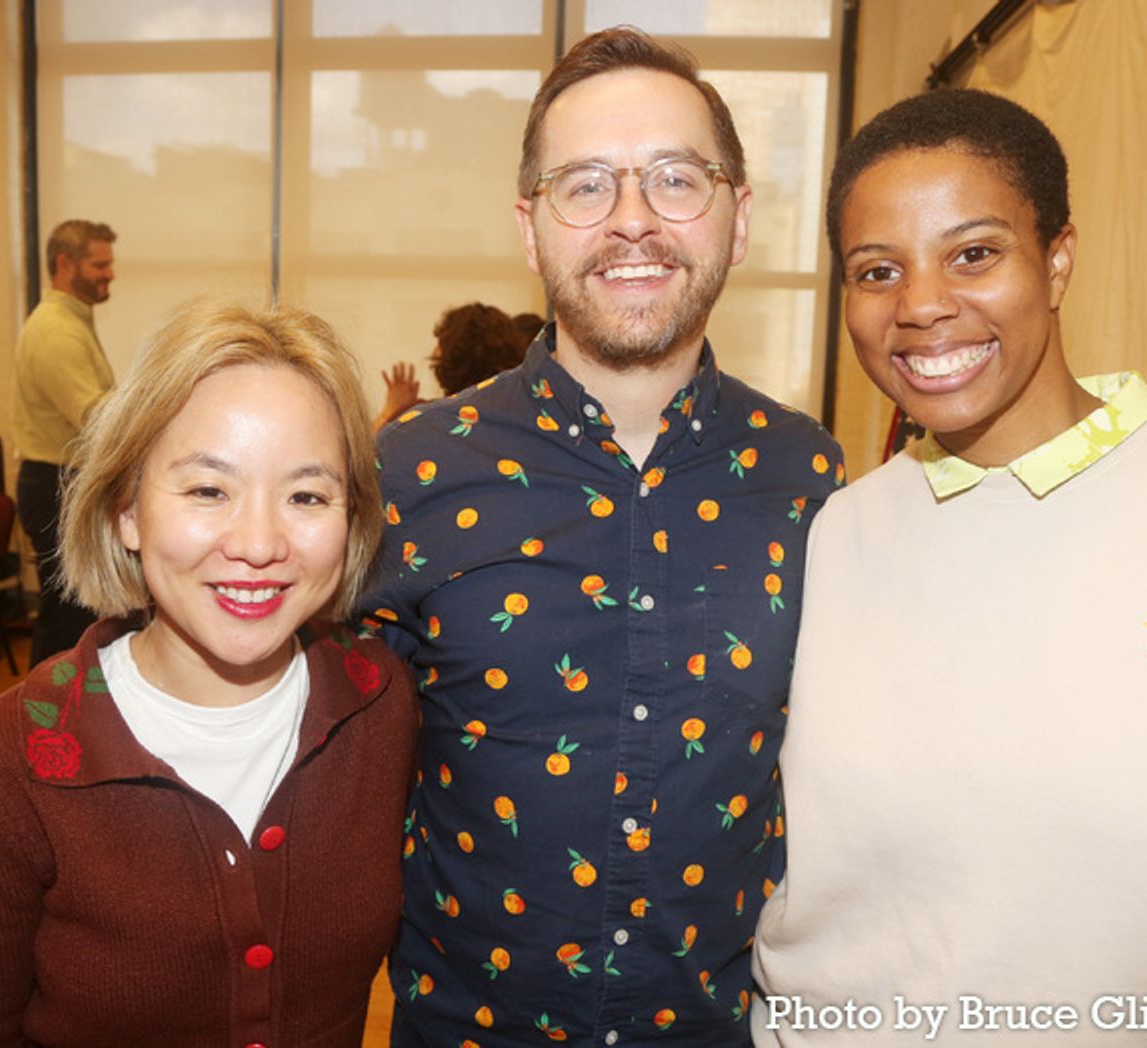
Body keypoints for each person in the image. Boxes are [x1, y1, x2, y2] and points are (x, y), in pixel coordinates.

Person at [751, 88, 1147, 1045]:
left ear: (1058, 259)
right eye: (877, 270)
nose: (924, 304)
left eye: (974, 253)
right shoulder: (831, 536)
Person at [360, 27, 843, 1047]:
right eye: (585, 186)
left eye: (675, 178)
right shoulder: (412, 473)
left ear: (739, 217)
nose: (632, 221)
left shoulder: (813, 479)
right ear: (531, 228)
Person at [0, 301, 419, 1046]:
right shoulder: (8, 764)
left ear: (352, 520)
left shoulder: (383, 708)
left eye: (306, 495)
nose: (259, 544)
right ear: (127, 510)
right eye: (207, 490)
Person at [13, 219, 119, 667]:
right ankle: (42, 717)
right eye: (100, 264)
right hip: (55, 484)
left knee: (74, 611)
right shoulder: (58, 331)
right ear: (64, 264)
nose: (110, 273)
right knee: (66, 616)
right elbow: (94, 417)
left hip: (62, 481)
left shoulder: (71, 320)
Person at [374, 302, 533, 430]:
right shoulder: (525, 418)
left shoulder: (417, 419)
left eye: (440, 344)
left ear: (446, 358)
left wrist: (390, 411)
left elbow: (363, 461)